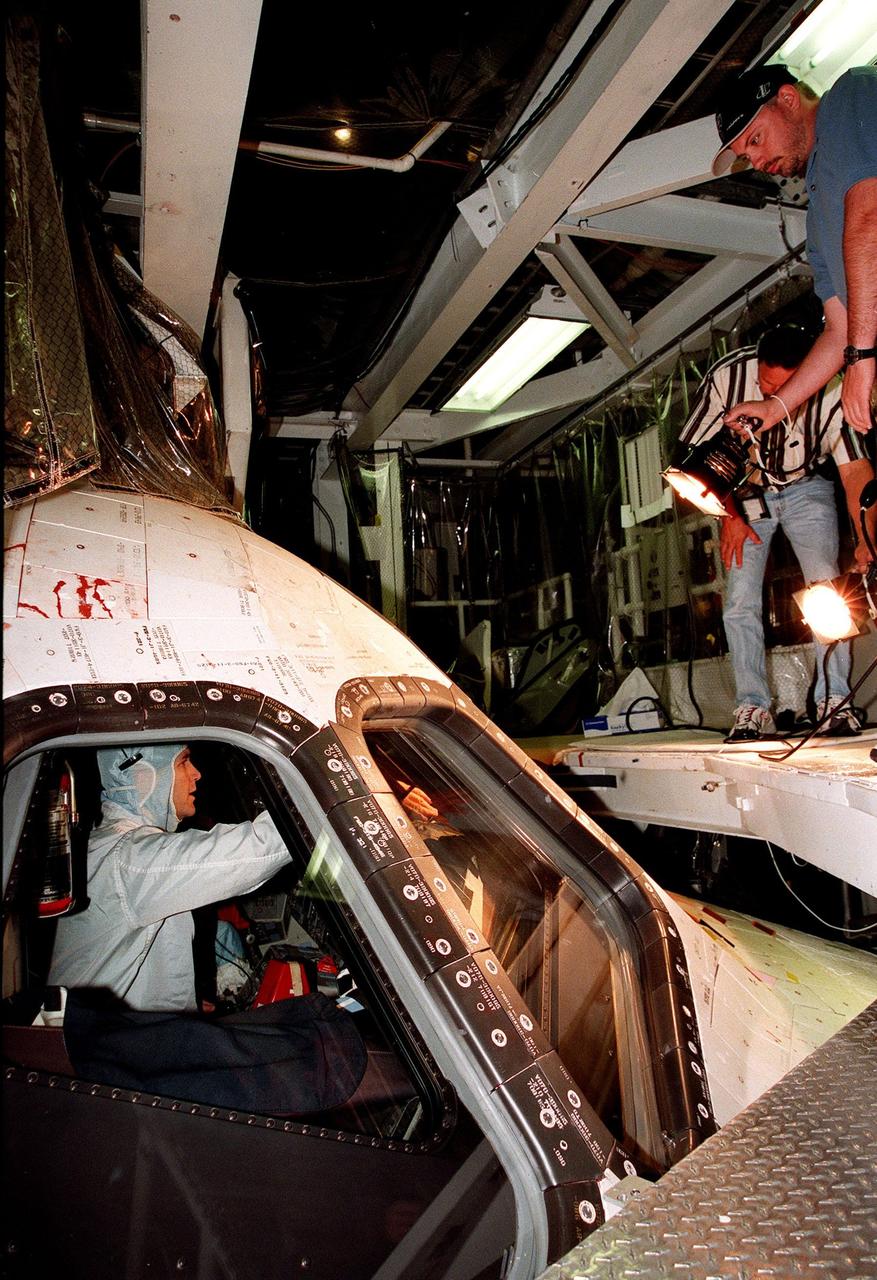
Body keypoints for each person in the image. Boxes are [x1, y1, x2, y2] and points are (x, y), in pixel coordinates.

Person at [675, 324, 875, 740]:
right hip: (746, 494)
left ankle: (833, 701)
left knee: (827, 588)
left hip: (807, 487)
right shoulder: (727, 378)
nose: (771, 398)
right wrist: (728, 516)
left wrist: (865, 539)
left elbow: (856, 473)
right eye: (765, 386)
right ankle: (752, 706)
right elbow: (688, 458)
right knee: (739, 598)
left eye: (784, 390)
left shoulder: (835, 391)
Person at [49, 743, 294, 1012]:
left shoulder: (111, 842)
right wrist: (307, 805)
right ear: (145, 776)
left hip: (107, 1030)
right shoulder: (132, 857)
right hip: (108, 1043)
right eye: (183, 762)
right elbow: (254, 852)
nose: (196, 773)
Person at [710, 63, 877, 436]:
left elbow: (870, 215)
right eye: (746, 157)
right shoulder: (818, 218)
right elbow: (839, 330)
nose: (757, 163)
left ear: (787, 99)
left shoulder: (849, 98)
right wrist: (777, 405)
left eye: (755, 140)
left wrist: (862, 356)